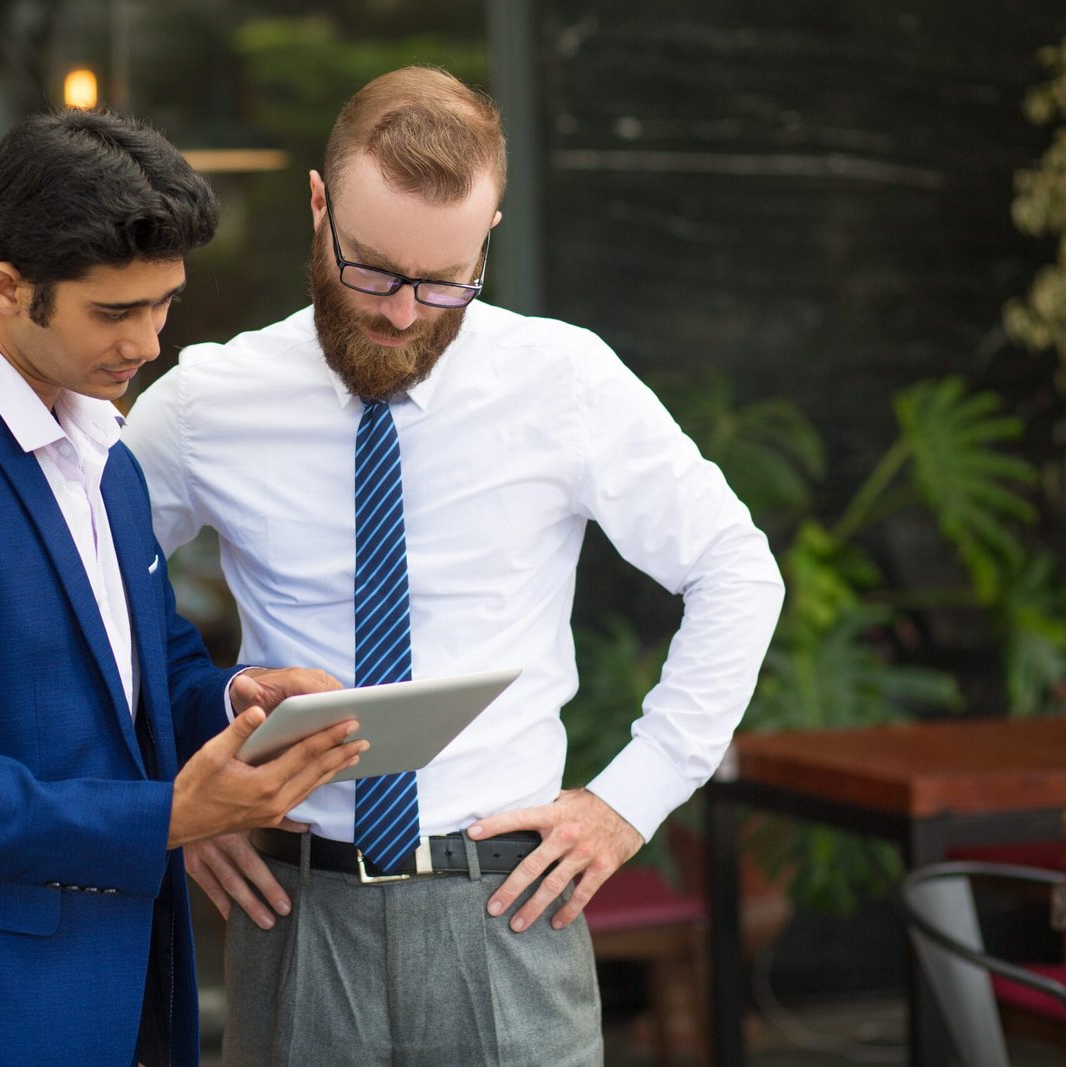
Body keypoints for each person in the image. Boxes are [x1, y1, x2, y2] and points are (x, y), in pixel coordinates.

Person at [121, 66, 785, 1065]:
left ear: (489, 235)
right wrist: (169, 790)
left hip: (508, 910)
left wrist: (626, 800)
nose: (401, 313)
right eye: (373, 271)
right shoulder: (210, 401)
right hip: (293, 913)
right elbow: (78, 591)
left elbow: (736, 569)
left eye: (444, 283)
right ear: (318, 208)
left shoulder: (562, 380)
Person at [0, 108, 362, 1067]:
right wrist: (172, 818)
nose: (146, 342)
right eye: (115, 311)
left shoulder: (107, 450)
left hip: (126, 995)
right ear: (8, 288)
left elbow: (142, 667)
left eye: (165, 304)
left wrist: (234, 699)